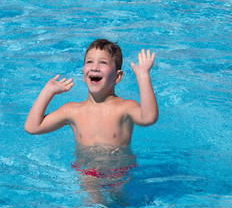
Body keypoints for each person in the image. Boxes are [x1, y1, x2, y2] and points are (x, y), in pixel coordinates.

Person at [24, 39, 158, 146]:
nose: (95, 67)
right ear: (83, 74)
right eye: (89, 62)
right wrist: (48, 91)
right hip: (85, 174)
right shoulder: (72, 111)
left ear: (117, 77)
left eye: (103, 63)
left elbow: (148, 118)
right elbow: (32, 127)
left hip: (116, 174)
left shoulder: (125, 108)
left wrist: (143, 76)